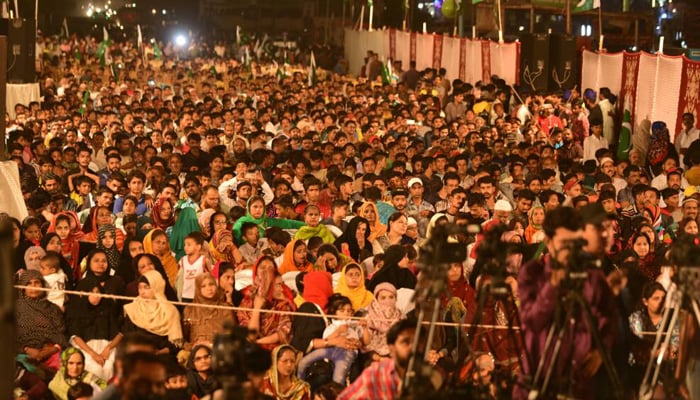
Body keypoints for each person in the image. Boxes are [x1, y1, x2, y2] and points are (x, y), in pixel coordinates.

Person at [516, 207, 619, 399]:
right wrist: (554, 283)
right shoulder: (532, 273)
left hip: (580, 384)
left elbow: (611, 317)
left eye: (576, 243)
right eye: (564, 244)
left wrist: (601, 351)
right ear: (549, 242)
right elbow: (532, 322)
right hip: (539, 380)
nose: (571, 251)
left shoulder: (592, 276)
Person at [297, 294, 368, 385]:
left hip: (346, 353)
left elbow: (365, 342)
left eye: (349, 311)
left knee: (338, 378)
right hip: (329, 350)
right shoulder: (331, 326)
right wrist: (337, 332)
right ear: (334, 313)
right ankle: (300, 386)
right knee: (304, 362)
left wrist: (365, 329)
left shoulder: (354, 326)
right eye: (342, 311)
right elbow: (326, 340)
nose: (346, 313)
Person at [337, 318, 417, 399]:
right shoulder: (376, 373)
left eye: (418, 341)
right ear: (392, 348)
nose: (413, 347)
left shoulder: (425, 375)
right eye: (406, 342)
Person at [65, 274, 123, 381]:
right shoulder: (76, 311)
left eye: (98, 292)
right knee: (95, 369)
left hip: (107, 346)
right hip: (85, 347)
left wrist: (108, 348)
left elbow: (119, 334)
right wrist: (93, 354)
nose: (95, 296)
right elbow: (76, 337)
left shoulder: (107, 309)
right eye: (91, 292)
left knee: (109, 368)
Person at [237, 256, 296, 351]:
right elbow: (250, 335)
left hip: (275, 349)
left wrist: (258, 343)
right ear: (256, 274)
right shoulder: (247, 299)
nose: (267, 272)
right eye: (263, 268)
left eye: (270, 269)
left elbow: (283, 332)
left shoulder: (283, 300)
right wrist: (257, 308)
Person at [16, 269, 69, 372]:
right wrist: (26, 349)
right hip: (24, 355)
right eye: (29, 283)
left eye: (37, 282)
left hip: (52, 352)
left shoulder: (53, 308)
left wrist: (54, 349)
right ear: (23, 287)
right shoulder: (15, 309)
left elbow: (63, 333)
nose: (33, 287)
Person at [122, 270, 183, 356]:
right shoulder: (133, 309)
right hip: (138, 356)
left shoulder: (170, 311)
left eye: (146, 287)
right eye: (140, 288)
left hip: (162, 357)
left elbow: (175, 344)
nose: (142, 292)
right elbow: (128, 336)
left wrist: (160, 353)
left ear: (156, 287)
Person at [183, 272, 236, 349]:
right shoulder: (189, 310)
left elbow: (232, 338)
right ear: (198, 289)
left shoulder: (226, 309)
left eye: (211, 284)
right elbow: (183, 340)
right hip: (197, 355)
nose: (209, 289)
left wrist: (211, 345)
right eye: (203, 286)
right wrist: (193, 347)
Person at [232, 195, 305, 244]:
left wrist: (308, 225)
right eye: (255, 207)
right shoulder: (242, 222)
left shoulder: (267, 221)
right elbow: (236, 239)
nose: (258, 210)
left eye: (261, 207)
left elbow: (289, 223)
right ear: (248, 208)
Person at [364, 283, 404, 359]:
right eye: (383, 298)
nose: (387, 301)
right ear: (376, 299)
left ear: (396, 299)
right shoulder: (369, 316)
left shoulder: (401, 316)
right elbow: (366, 345)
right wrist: (379, 358)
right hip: (373, 355)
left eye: (391, 297)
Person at [176, 231, 212, 302]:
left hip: (199, 295)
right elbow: (179, 278)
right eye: (185, 245)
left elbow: (210, 276)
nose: (185, 247)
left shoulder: (204, 260)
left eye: (189, 245)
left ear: (198, 247)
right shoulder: (182, 260)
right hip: (185, 295)